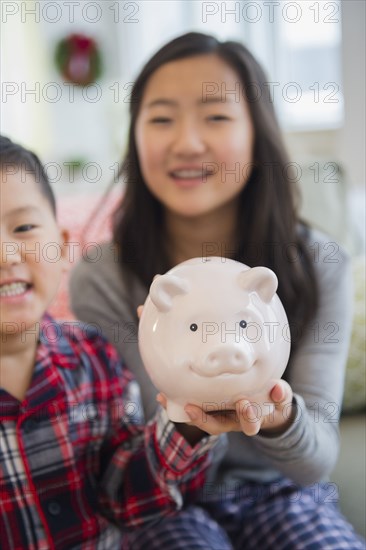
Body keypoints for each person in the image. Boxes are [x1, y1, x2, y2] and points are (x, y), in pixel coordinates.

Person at [70, 33, 365, 549]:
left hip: (281, 494)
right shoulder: (103, 277)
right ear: (135, 137)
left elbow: (314, 461)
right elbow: (118, 466)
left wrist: (279, 416)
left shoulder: (319, 264)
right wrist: (188, 424)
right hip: (162, 503)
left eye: (216, 116)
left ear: (258, 131)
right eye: (161, 118)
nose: (186, 142)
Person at [0, 135, 221, 550]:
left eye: (24, 228)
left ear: (64, 247)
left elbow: (125, 499)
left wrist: (188, 424)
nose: (5, 253)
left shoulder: (95, 359)